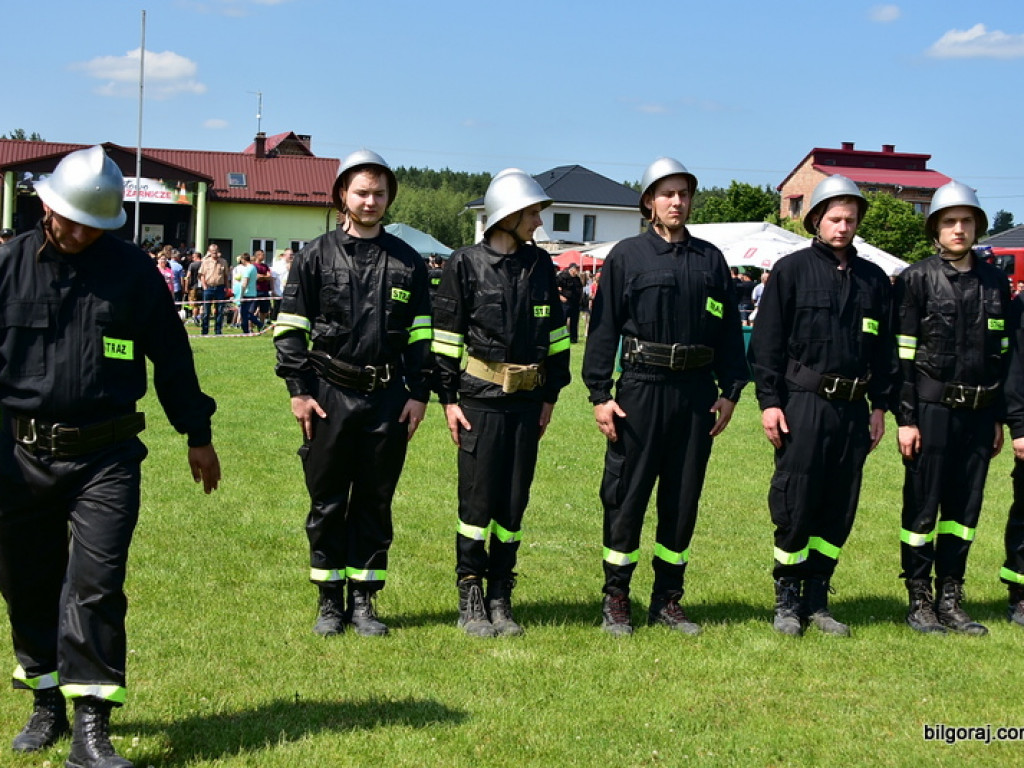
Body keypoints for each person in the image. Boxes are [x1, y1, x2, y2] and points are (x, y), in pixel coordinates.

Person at [0, 146, 220, 766]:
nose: (78, 234)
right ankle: (44, 697)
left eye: (93, 225)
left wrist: (196, 434)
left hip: (107, 456)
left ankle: (91, 727)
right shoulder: (8, 267)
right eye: (70, 220)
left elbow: (173, 359)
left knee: (97, 584)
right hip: (19, 455)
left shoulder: (133, 273)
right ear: (46, 205)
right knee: (25, 581)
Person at [582, 157, 747, 636]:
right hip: (641, 391)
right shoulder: (627, 257)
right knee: (627, 498)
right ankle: (616, 598)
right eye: (667, 194)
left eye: (684, 194)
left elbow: (729, 332)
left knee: (682, 499)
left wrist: (731, 389)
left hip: (695, 396)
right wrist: (599, 393)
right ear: (649, 202)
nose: (677, 202)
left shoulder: (711, 259)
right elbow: (604, 328)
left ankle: (668, 600)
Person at [274, 149, 432, 638]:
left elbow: (423, 336)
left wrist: (419, 393)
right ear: (342, 194)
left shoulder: (408, 261)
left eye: (379, 193)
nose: (370, 201)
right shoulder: (315, 255)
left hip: (387, 399)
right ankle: (328, 600)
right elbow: (290, 330)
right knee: (326, 502)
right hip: (328, 394)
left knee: (374, 501)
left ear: (389, 199)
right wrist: (300, 392)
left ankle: (363, 600)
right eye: (361, 192)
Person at [748, 175, 893, 638]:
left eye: (851, 219)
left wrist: (879, 408)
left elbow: (885, 352)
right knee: (796, 501)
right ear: (815, 219)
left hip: (853, 411)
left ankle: (818, 598)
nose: (844, 226)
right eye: (835, 218)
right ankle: (787, 598)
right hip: (804, 403)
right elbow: (767, 343)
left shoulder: (873, 280)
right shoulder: (791, 271)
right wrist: (770, 403)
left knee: (839, 505)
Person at [432, 169, 571, 637]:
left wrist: (550, 395)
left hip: (528, 404)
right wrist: (448, 400)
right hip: (479, 403)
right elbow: (446, 337)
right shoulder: (465, 263)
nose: (538, 222)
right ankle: (470, 596)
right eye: (532, 212)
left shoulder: (541, 267)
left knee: (513, 504)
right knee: (477, 503)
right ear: (507, 215)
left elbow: (556, 336)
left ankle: (500, 596)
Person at [893, 180, 1010, 636]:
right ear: (935, 229)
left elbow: (1004, 354)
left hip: (979, 417)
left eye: (966, 222)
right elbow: (901, 354)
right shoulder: (916, 279)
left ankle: (951, 596)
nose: (958, 229)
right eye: (949, 222)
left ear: (978, 227)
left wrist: (1000, 417)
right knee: (923, 509)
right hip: (931, 412)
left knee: (964, 511)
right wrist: (906, 418)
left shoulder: (996, 283)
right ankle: (919, 598)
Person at [198, 243, 229, 336]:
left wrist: (226, 287)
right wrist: (204, 286)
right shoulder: (205, 262)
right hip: (209, 288)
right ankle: (205, 331)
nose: (215, 254)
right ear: (210, 252)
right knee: (206, 311)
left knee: (219, 310)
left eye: (216, 252)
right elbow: (201, 275)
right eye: (213, 252)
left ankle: (218, 330)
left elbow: (226, 275)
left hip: (220, 287)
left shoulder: (223, 262)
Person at [556, 262, 584, 343]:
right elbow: (554, 288)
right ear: (572, 270)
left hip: (575, 302)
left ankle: (573, 338)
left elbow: (580, 288)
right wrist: (560, 296)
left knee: (574, 321)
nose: (578, 271)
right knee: (562, 320)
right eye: (576, 269)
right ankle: (560, 338)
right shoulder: (562, 277)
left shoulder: (577, 279)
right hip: (565, 302)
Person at [270, 248, 293, 321]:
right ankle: (274, 323)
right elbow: (273, 278)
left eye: (292, 255)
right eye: (290, 255)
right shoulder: (278, 264)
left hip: (290, 291)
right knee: (277, 308)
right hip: (279, 291)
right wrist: (273, 290)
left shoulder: (293, 265)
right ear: (285, 255)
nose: (291, 256)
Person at [253, 249, 273, 328]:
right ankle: (251, 327)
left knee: (264, 311)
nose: (264, 256)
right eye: (262, 255)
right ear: (258, 256)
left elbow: (269, 277)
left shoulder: (265, 266)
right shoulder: (253, 266)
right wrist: (263, 277)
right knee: (253, 310)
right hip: (256, 290)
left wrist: (262, 277)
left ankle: (261, 326)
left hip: (265, 291)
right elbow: (256, 277)